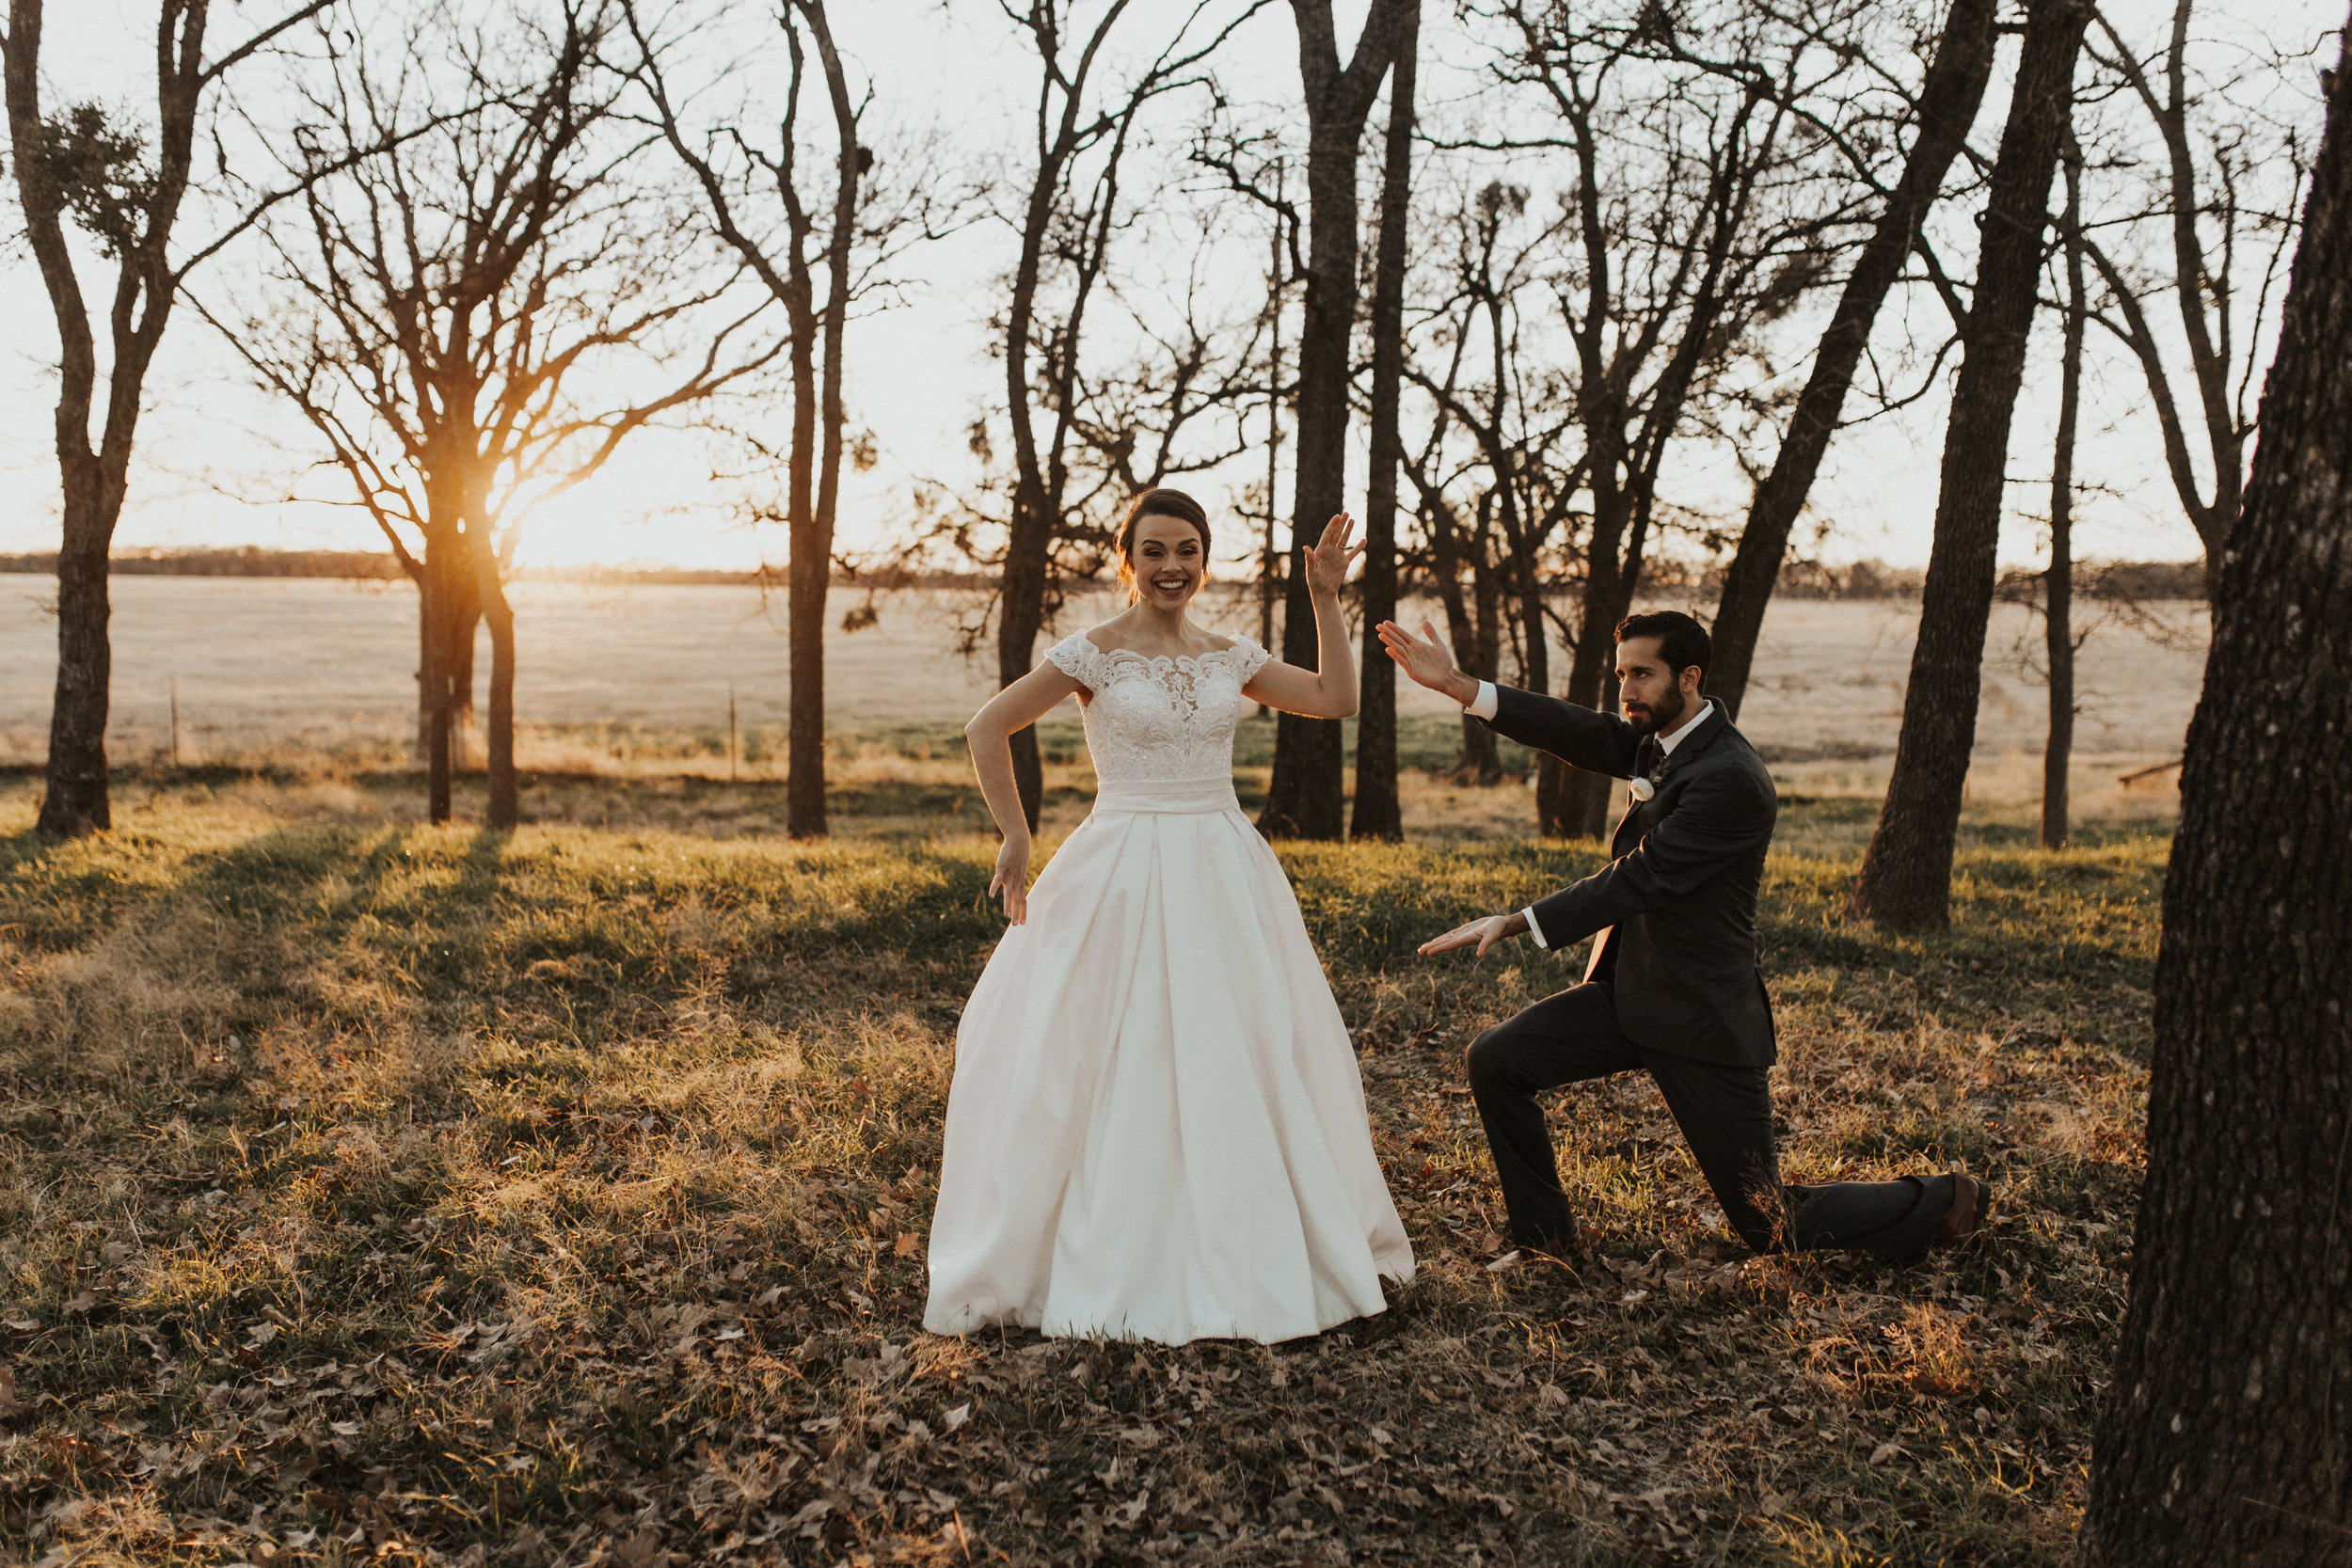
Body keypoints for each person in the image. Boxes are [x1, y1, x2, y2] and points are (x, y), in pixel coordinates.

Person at [925, 489, 1413, 1344]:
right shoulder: (1094, 654)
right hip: (1117, 861)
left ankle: (1243, 1233)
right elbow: (987, 726)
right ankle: (1106, 1238)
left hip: (1222, 863)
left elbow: (1337, 699)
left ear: (1205, 557)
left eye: (1187, 549)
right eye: (1153, 551)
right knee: (1108, 1046)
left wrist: (1326, 597)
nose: (1172, 567)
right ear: (1129, 560)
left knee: (1240, 1043)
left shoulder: (1230, 655)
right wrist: (1014, 834)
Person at [1375, 610, 1992, 1265]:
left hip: (1701, 1017)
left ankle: (1946, 1197)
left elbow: (1640, 879)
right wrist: (1461, 687)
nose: (1626, 689)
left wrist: (1519, 919)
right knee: (1496, 1058)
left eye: (1643, 674)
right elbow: (1579, 730)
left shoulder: (1731, 777)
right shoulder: (1663, 740)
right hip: (1633, 995)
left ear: (1690, 677)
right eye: (1621, 674)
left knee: (1770, 1224)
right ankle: (1546, 1242)